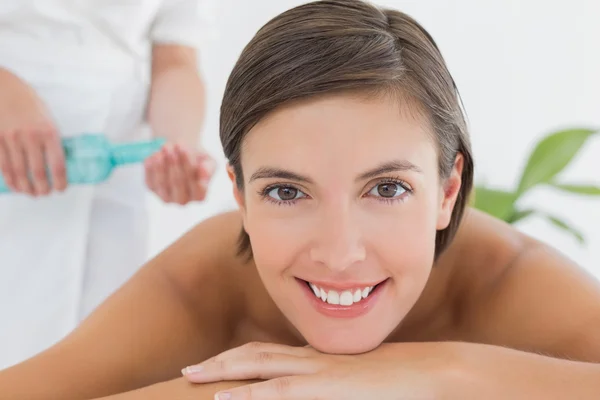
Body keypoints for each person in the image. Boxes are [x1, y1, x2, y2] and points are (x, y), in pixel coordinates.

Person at [2, 0, 600, 398]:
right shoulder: (203, 283)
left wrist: (444, 371)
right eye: (286, 192)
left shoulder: (508, 282)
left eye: (387, 188)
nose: (340, 255)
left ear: (448, 191)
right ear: (238, 194)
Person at [0, 1, 216, 369]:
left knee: (99, 358)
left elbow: (175, 55)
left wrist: (177, 146)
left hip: (116, 166)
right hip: (11, 161)